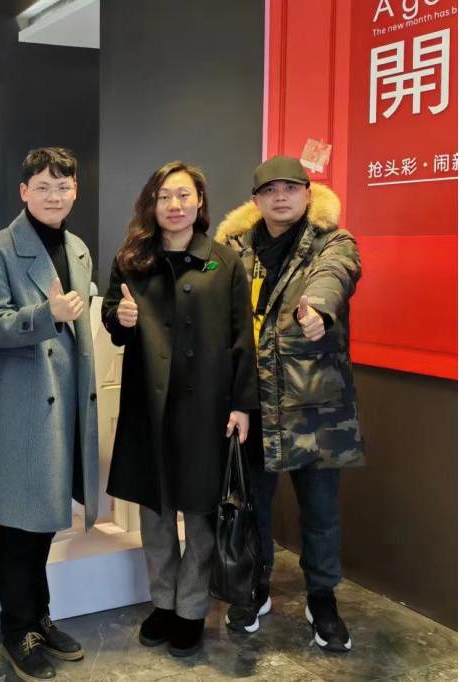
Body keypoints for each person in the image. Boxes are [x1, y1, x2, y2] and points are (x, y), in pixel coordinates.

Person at [101, 161, 257, 657]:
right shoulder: (132, 259)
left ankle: (191, 608)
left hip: (207, 407)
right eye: (165, 196)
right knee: (156, 510)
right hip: (148, 406)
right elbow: (112, 318)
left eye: (184, 195)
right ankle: (163, 603)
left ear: (199, 202)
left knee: (202, 511)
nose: (174, 205)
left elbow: (242, 338)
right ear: (152, 202)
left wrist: (242, 405)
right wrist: (121, 317)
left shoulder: (223, 262)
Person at [215, 156, 363, 653]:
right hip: (252, 402)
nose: (281, 197)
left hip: (313, 404)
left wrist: (318, 308)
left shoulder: (332, 241)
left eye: (291, 188)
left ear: (307, 193)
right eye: (270, 190)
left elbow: (335, 276)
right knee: (251, 505)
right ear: (255, 201)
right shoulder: (233, 250)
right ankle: (254, 587)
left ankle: (322, 599)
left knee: (320, 512)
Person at [0, 147, 99, 682]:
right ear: (24, 191)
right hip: (27, 401)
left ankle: (38, 616)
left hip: (68, 397)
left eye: (63, 186)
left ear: (75, 192)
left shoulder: (77, 247)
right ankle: (17, 626)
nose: (54, 196)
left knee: (46, 514)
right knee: (20, 520)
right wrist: (47, 314)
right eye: (43, 187)